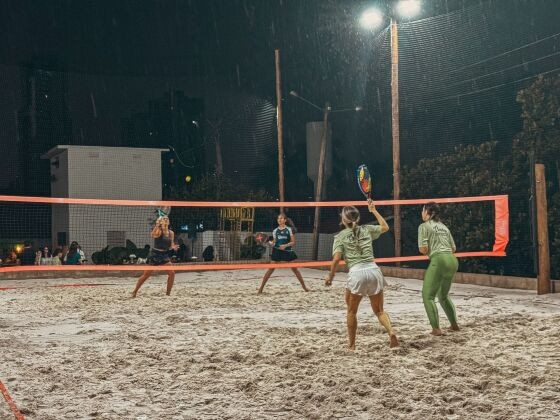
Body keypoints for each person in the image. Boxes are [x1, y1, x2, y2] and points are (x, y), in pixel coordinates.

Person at [325, 199, 399, 349]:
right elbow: (385, 227)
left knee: (351, 311)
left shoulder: (340, 236)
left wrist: (330, 276)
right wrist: (374, 210)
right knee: (379, 311)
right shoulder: (366, 229)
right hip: (374, 270)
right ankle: (391, 332)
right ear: (357, 218)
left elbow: (337, 259)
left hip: (357, 272)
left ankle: (352, 345)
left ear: (343, 219)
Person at [418, 202, 459, 336]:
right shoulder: (444, 227)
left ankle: (436, 329)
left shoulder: (424, 226)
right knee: (443, 296)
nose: (421, 213)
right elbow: (453, 248)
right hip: (452, 261)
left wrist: (429, 249)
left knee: (427, 296)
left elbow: (423, 249)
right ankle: (454, 325)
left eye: (423, 211)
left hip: (439, 260)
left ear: (429, 213)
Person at [258, 213, 308, 294]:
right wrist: (269, 242)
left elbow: (293, 242)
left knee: (295, 270)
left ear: (285, 220)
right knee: (270, 269)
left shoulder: (289, 230)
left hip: (288, 251)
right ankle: (260, 289)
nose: (279, 220)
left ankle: (304, 288)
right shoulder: (275, 231)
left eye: (281, 218)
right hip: (277, 251)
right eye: (278, 218)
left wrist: (285, 245)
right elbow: (275, 242)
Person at [132, 215, 178, 298]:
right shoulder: (158, 230)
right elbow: (153, 235)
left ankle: (168, 294)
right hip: (155, 254)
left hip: (164, 255)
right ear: (161, 221)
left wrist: (174, 247)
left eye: (167, 219)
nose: (166, 220)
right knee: (146, 275)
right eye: (164, 219)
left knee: (172, 273)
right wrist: (157, 224)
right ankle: (135, 291)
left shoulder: (171, 233)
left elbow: (171, 245)